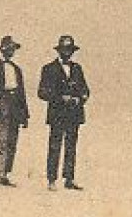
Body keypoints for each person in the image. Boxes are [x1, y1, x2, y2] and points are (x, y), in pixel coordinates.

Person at [37, 35, 91, 192]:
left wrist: (79, 99)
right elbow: (42, 92)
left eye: (70, 50)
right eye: (65, 50)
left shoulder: (77, 68)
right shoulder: (48, 69)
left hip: (74, 114)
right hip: (57, 114)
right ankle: (51, 180)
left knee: (71, 146)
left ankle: (69, 179)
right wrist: (61, 98)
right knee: (55, 146)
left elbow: (85, 90)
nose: (67, 53)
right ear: (59, 51)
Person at [0, 35, 29, 189]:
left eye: (12, 49)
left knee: (12, 142)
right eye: (8, 48)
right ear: (2, 50)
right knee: (1, 141)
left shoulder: (17, 69)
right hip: (1, 106)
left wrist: (25, 114)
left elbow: (22, 93)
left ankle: (6, 174)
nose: (10, 51)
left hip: (15, 106)